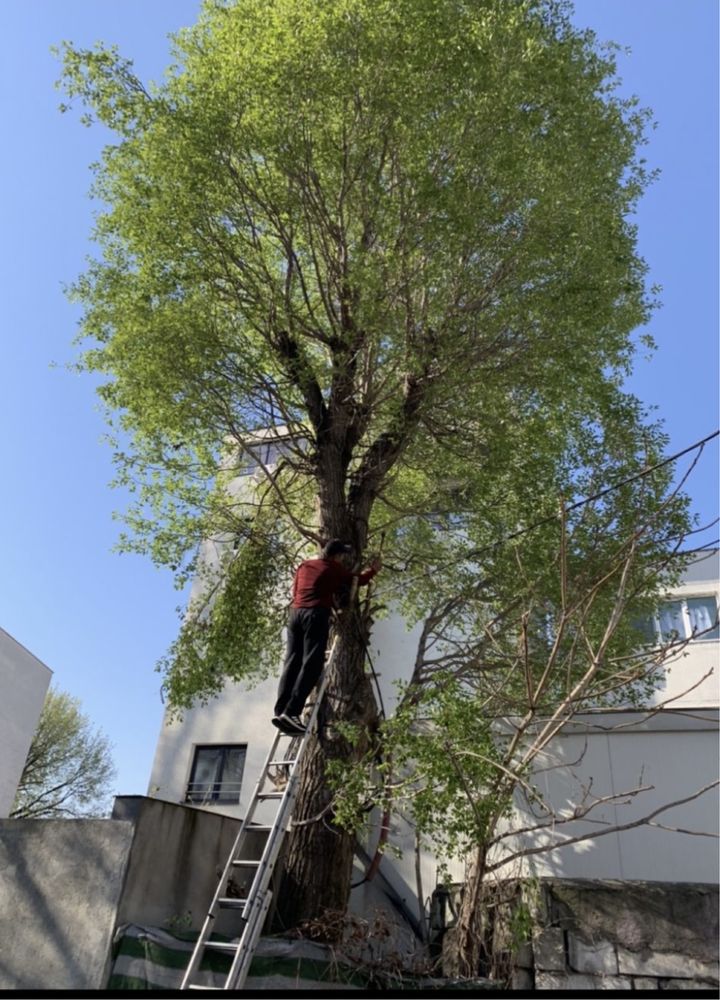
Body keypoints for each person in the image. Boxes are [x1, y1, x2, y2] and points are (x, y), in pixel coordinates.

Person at [272, 539, 381, 735]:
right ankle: (292, 712)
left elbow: (295, 590)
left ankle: (280, 711)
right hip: (315, 615)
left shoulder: (304, 566)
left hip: (295, 614)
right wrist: (373, 570)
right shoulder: (333, 568)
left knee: (292, 662)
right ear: (337, 556)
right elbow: (358, 580)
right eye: (341, 556)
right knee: (312, 664)